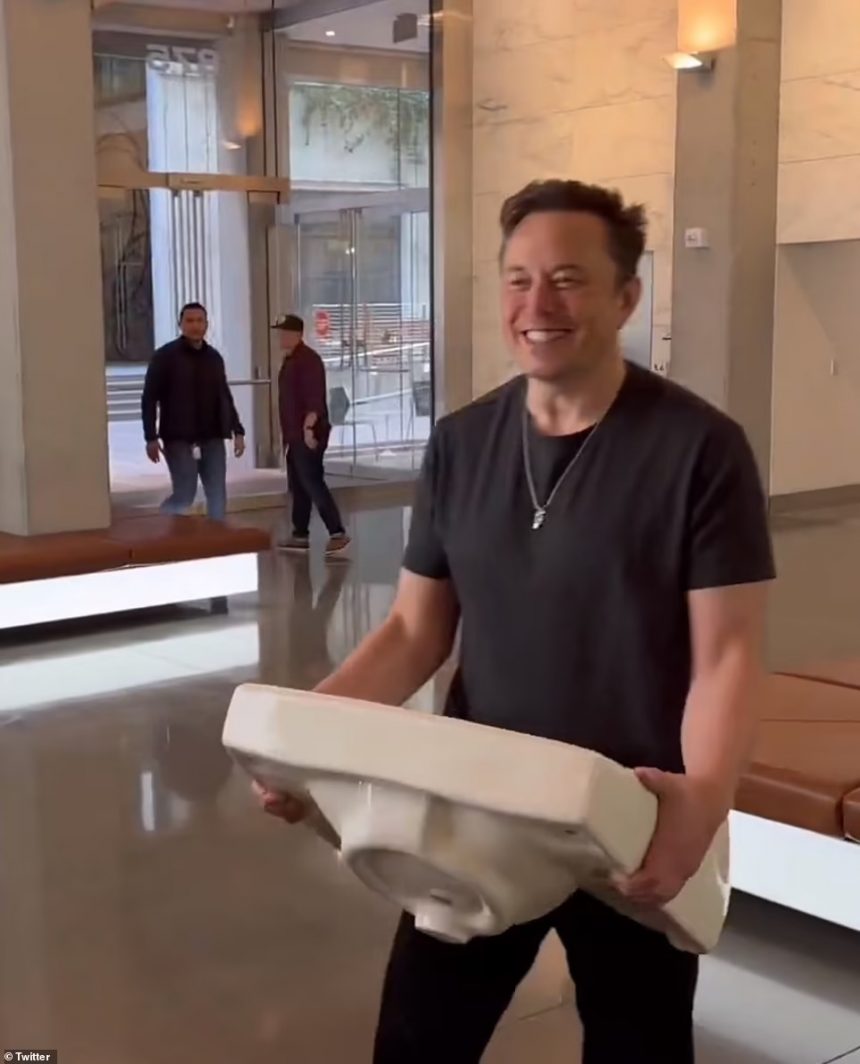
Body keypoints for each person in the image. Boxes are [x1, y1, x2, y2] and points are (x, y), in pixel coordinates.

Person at [255, 180, 774, 1063]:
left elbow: (725, 655)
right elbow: (414, 632)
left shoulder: (699, 449)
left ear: (626, 297)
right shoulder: (461, 443)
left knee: (639, 1046)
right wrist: (307, 739)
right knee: (417, 1042)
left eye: (568, 280)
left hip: (627, 814)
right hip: (477, 807)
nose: (537, 305)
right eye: (519, 279)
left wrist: (705, 799)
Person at [141, 302, 245, 521]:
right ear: (180, 324)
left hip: (212, 436)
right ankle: (164, 525)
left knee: (217, 492)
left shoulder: (214, 358)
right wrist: (150, 436)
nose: (195, 326)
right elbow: (149, 398)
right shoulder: (165, 357)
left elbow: (224, 395)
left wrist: (238, 430)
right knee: (184, 493)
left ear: (206, 324)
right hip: (179, 438)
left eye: (199, 321)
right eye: (189, 321)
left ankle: (217, 535)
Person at [273, 313, 350, 555]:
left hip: (307, 434)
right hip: (294, 435)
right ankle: (300, 534)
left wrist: (308, 430)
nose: (280, 337)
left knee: (312, 482)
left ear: (296, 334)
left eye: (284, 333)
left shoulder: (308, 360)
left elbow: (314, 399)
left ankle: (337, 532)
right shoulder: (291, 359)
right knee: (298, 484)